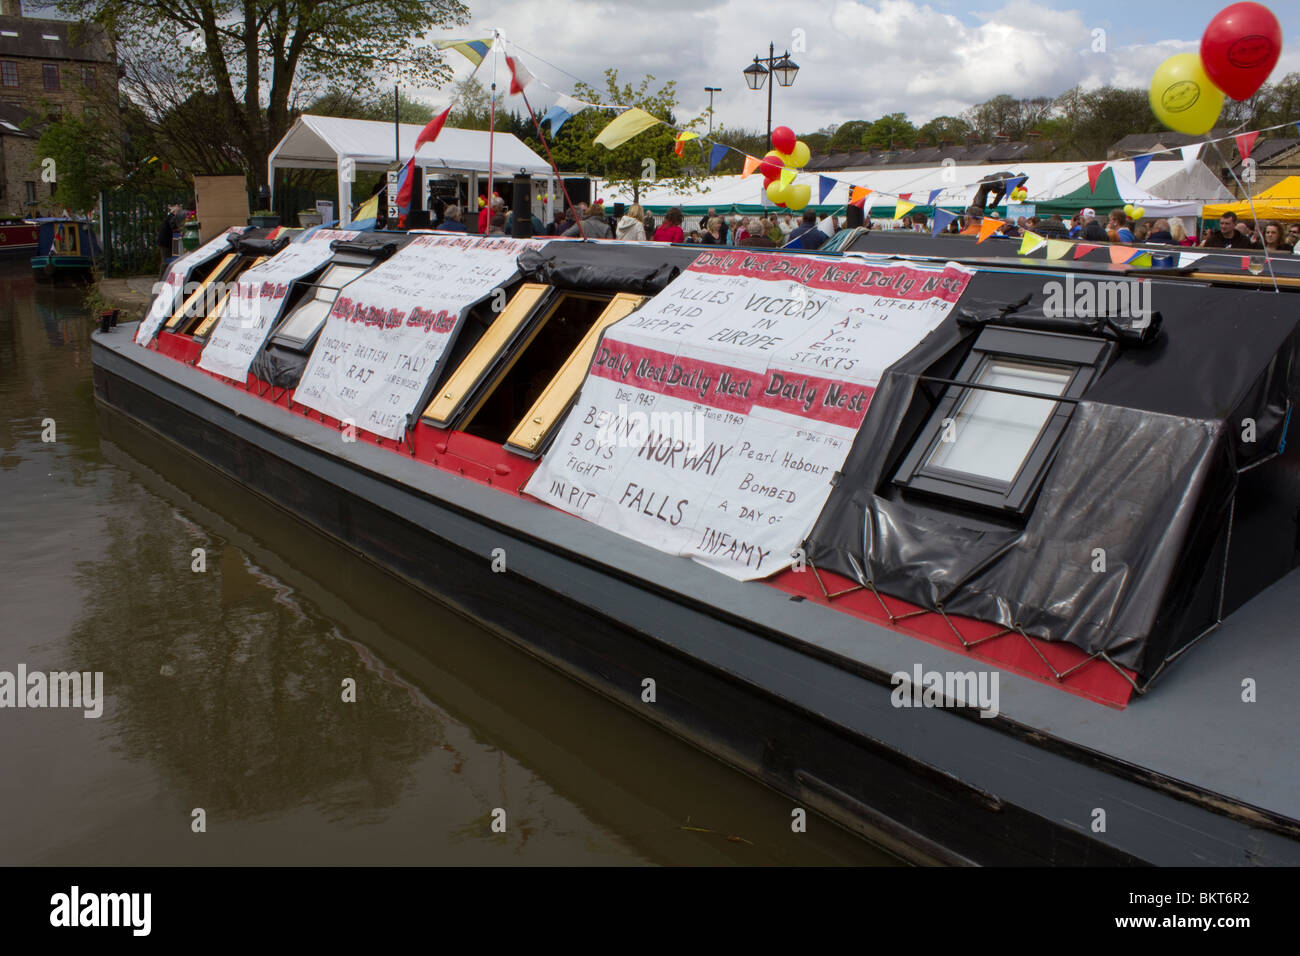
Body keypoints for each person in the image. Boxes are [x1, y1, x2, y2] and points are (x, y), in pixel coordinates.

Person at [156, 203, 183, 274]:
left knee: (169, 261)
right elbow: (175, 228)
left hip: (170, 242)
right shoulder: (172, 217)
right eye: (177, 206)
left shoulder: (172, 217)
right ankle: (162, 279)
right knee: (166, 262)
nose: (179, 208)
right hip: (167, 243)